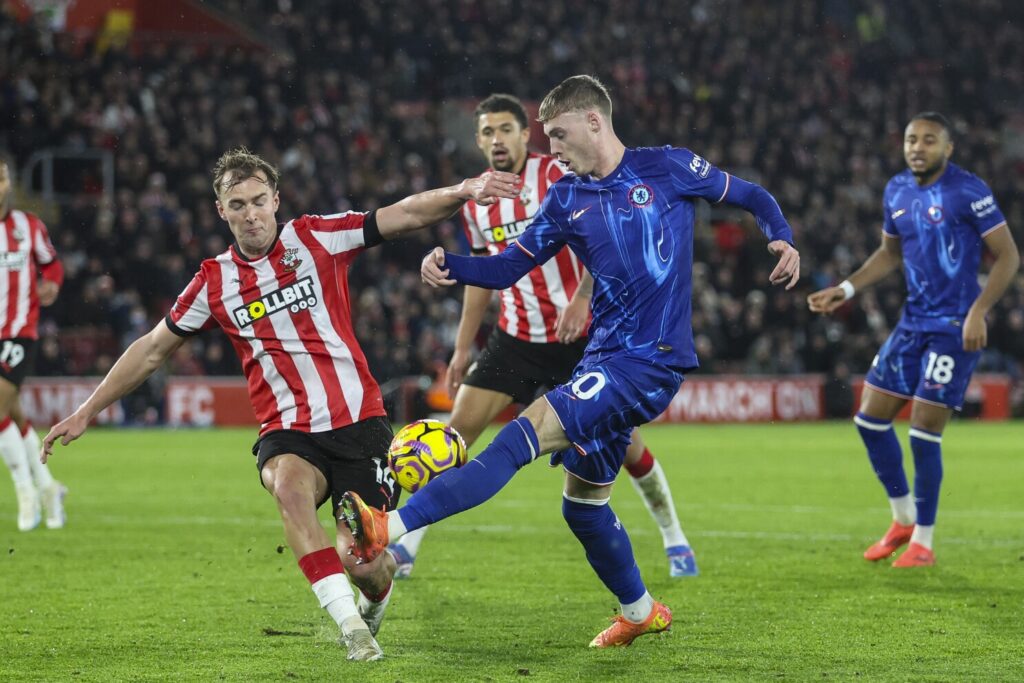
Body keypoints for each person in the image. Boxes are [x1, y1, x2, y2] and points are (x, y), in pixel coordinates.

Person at [342, 76, 799, 648]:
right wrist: (451, 265)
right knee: (583, 507)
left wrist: (780, 237)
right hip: (601, 358)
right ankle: (639, 612)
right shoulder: (566, 197)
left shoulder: (670, 167)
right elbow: (509, 266)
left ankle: (393, 527)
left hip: (647, 361)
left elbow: (754, 196)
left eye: (557, 135)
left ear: (593, 121)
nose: (551, 149)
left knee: (520, 435)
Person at [41, 147, 520, 661]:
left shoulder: (316, 236)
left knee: (364, 563)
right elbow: (153, 348)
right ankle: (352, 630)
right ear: (221, 210)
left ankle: (374, 596)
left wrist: (463, 190)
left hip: (360, 422)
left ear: (276, 200)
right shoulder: (213, 281)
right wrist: (87, 409)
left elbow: (401, 215)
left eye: (258, 201)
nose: (250, 213)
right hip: (286, 429)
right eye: (237, 204)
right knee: (288, 488)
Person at [388, 94, 698, 580]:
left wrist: (581, 296)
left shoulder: (559, 176)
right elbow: (483, 278)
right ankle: (405, 545)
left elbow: (612, 236)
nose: (496, 140)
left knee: (628, 446)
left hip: (577, 336)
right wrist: (463, 345)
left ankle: (674, 535)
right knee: (453, 434)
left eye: (505, 129)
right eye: (487, 132)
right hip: (515, 337)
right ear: (478, 140)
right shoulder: (478, 203)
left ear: (524, 134)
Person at [808, 112, 1019, 568]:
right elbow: (889, 254)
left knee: (923, 431)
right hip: (912, 324)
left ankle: (923, 541)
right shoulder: (897, 190)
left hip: (954, 328)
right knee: (870, 420)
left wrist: (979, 311)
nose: (917, 147)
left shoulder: (969, 190)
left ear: (948, 148)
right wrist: (845, 289)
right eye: (911, 139)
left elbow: (1008, 256)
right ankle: (902, 519)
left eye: (928, 140)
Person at [0, 155, 67, 531]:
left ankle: (25, 491)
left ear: (8, 183)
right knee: (14, 414)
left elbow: (52, 263)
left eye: (2, 178)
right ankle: (49, 487)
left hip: (18, 333)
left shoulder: (28, 226)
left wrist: (52, 283)